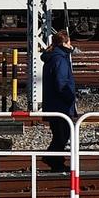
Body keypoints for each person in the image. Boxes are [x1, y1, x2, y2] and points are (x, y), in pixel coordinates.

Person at [40, 29, 77, 173]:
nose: (71, 45)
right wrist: (70, 98)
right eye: (69, 42)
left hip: (52, 103)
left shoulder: (51, 57)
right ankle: (54, 160)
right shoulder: (60, 59)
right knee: (63, 134)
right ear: (64, 43)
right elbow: (61, 82)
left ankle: (55, 159)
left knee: (59, 133)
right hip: (60, 105)